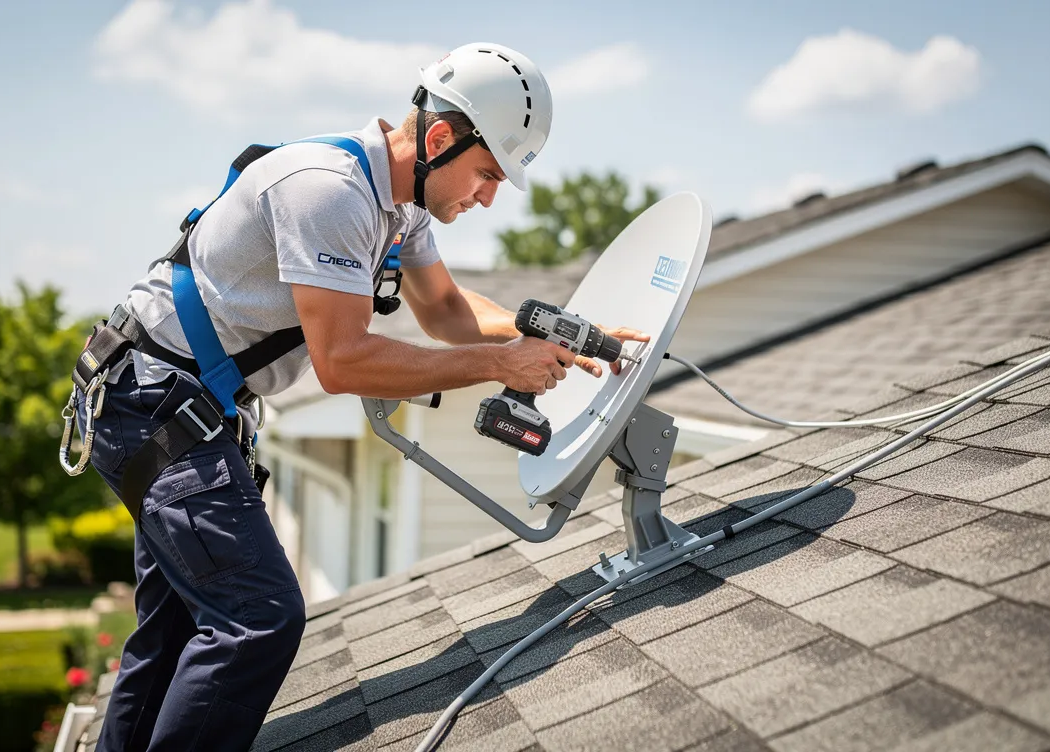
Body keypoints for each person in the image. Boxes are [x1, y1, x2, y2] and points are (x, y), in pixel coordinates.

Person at [71, 42, 646, 751]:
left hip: (165, 408)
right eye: (487, 173)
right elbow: (342, 361)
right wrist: (499, 365)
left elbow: (445, 313)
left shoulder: (400, 207)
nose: (490, 196)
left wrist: (576, 334)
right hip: (155, 409)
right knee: (259, 619)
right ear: (440, 139)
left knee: (179, 630)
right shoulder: (331, 191)